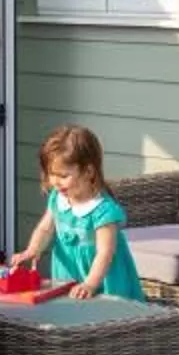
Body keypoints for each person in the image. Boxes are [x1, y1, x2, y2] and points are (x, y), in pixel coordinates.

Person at [11, 124, 146, 303]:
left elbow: (106, 252)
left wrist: (90, 283)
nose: (56, 182)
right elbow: (45, 229)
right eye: (52, 174)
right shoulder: (58, 199)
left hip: (102, 275)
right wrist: (33, 250)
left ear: (89, 171)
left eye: (63, 176)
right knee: (69, 309)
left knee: (104, 314)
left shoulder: (102, 210)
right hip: (68, 270)